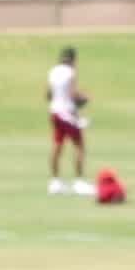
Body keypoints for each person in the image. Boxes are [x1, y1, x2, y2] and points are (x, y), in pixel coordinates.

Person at [46, 44, 88, 194]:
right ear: (73, 59)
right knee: (79, 146)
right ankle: (79, 182)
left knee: (57, 146)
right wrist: (83, 97)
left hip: (55, 112)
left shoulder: (53, 71)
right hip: (68, 113)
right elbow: (73, 94)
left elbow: (48, 94)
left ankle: (55, 181)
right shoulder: (70, 72)